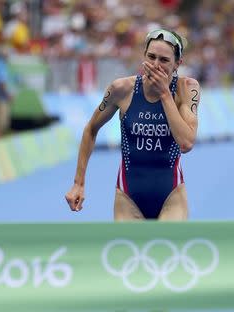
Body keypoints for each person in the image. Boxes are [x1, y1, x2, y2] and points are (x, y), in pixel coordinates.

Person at [65, 29, 201, 221]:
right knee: (128, 250)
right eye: (151, 57)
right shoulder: (122, 89)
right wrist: (78, 183)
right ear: (143, 56)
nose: (156, 65)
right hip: (128, 196)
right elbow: (90, 129)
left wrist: (164, 94)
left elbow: (186, 143)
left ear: (178, 64)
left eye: (164, 60)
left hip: (172, 195)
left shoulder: (186, 89)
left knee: (168, 249)